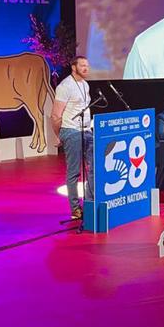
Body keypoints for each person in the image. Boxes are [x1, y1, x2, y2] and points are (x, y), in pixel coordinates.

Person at [51, 55, 95, 221]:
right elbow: (55, 115)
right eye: (82, 65)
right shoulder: (65, 86)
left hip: (87, 130)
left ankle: (90, 203)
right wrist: (59, 135)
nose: (86, 68)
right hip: (71, 131)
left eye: (87, 65)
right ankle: (75, 208)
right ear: (73, 67)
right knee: (74, 172)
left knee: (94, 166)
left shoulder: (85, 85)